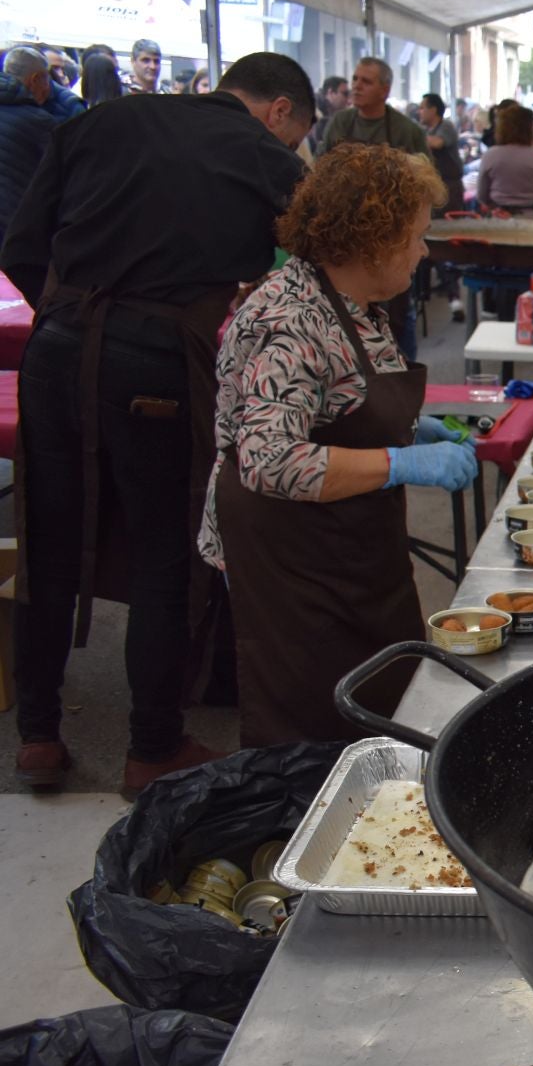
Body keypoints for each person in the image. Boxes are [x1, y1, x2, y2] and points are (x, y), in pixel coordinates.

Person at [1, 52, 312, 794]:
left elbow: (19, 242)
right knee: (165, 551)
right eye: (298, 133)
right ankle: (152, 747)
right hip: (159, 358)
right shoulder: (265, 155)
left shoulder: (100, 119)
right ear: (278, 112)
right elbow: (317, 269)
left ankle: (37, 735)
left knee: (47, 537)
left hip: (56, 345)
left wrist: (69, 311)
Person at [202, 145, 474, 745]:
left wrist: (406, 430)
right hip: (292, 555)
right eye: (416, 237)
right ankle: (302, 830)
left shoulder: (354, 301)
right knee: (314, 716)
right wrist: (402, 461)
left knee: (384, 691)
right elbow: (269, 461)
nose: (424, 252)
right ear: (374, 242)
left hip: (347, 540)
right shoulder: (293, 319)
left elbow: (339, 401)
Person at [319, 57, 429, 361]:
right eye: (355, 79)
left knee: (396, 314)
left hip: (393, 240)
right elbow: (321, 174)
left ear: (385, 89)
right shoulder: (340, 124)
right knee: (345, 315)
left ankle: (402, 375)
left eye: (365, 81)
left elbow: (425, 187)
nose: (355, 86)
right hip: (345, 237)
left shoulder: (407, 131)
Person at [0, 48, 58, 252]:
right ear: (35, 79)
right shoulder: (40, 123)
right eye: (47, 79)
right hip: (12, 230)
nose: (50, 88)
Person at [418, 92, 466, 318]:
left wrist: (410, 133)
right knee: (427, 241)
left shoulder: (445, 127)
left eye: (423, 108)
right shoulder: (426, 131)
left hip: (449, 191)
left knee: (445, 243)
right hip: (433, 190)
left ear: (434, 110)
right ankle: (425, 294)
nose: (420, 112)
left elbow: (437, 144)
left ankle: (454, 296)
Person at [475, 103, 533, 214]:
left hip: (498, 217)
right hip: (530, 218)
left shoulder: (490, 156)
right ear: (530, 129)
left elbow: (482, 195)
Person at [308, 74, 348, 155]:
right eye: (345, 94)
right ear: (330, 92)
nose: (347, 99)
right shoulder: (316, 113)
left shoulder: (335, 113)